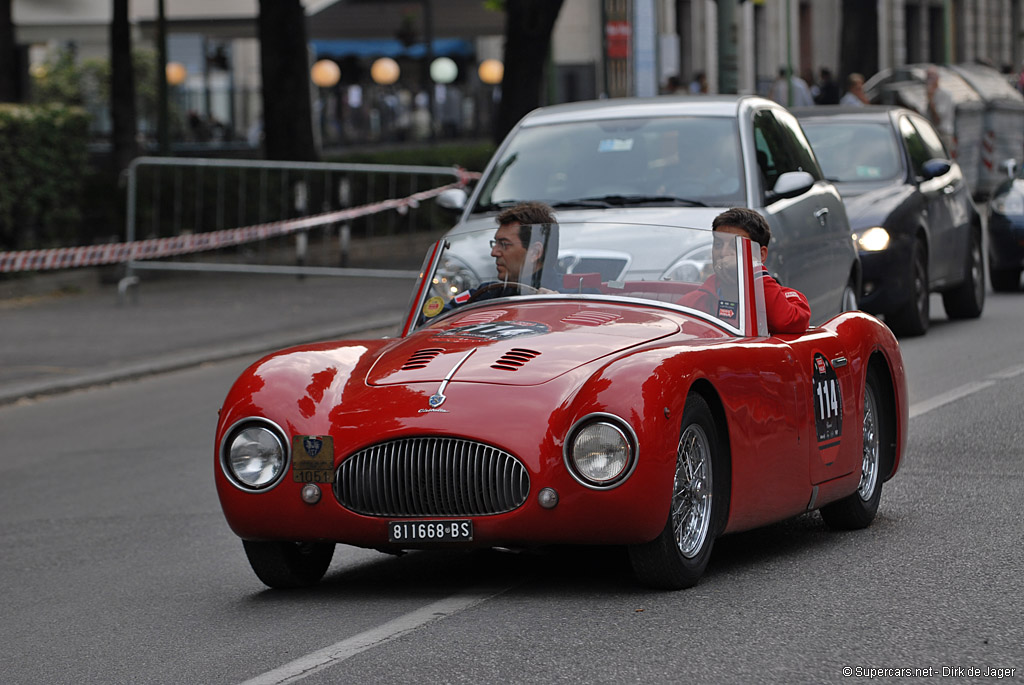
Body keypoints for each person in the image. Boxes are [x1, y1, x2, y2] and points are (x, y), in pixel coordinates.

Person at [678, 208, 810, 334]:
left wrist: (752, 268)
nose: (723, 253)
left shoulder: (789, 299)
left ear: (761, 255)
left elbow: (785, 322)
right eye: (718, 245)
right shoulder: (696, 301)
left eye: (736, 245)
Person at [449, 201, 559, 306]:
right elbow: (437, 317)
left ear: (535, 252)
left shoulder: (569, 295)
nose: (494, 252)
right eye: (495, 243)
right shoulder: (488, 293)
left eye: (504, 244)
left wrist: (559, 306)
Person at [925, 65, 955, 152]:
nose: (929, 81)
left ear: (937, 78)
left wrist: (931, 100)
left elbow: (938, 118)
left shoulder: (944, 95)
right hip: (932, 133)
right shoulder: (929, 95)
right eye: (928, 78)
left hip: (943, 134)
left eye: (931, 78)